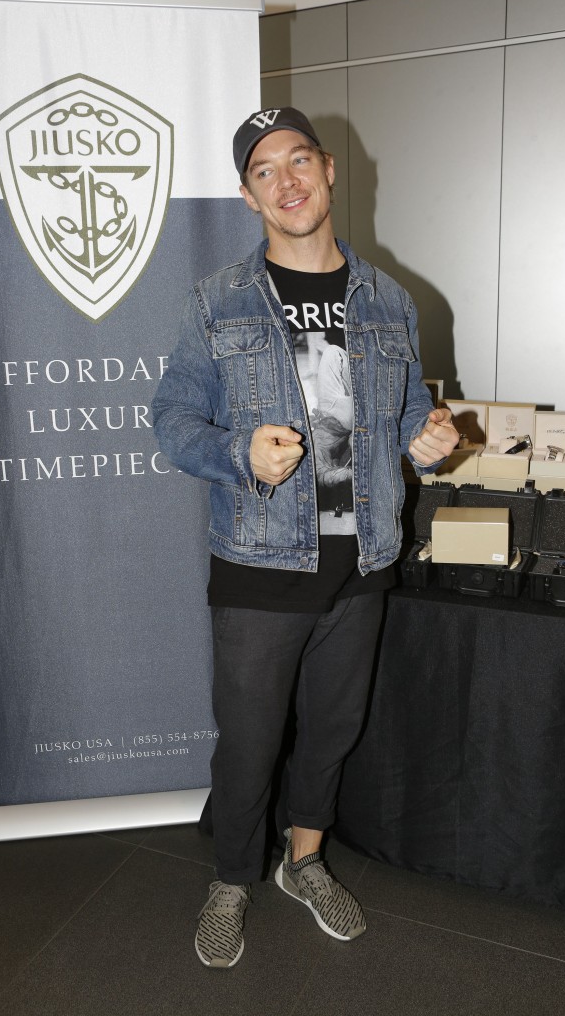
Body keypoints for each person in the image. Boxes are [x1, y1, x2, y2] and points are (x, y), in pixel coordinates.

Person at [152, 107, 458, 968]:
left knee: (332, 729)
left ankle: (304, 861)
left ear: (327, 171)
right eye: (262, 172)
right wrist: (235, 450)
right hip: (256, 561)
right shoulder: (216, 301)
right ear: (249, 197)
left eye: (296, 162)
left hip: (361, 562)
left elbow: (403, 416)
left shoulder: (390, 299)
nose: (284, 182)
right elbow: (171, 419)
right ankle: (228, 878)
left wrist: (427, 442)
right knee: (248, 741)